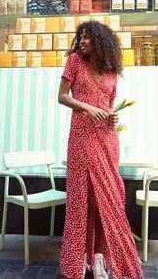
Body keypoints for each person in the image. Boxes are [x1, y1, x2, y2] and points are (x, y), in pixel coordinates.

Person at [58, 21, 143, 279]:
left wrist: (112, 118)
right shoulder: (74, 61)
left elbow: (109, 107)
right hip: (82, 137)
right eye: (80, 38)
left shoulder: (111, 72)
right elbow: (62, 96)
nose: (82, 42)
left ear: (100, 41)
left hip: (106, 139)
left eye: (87, 38)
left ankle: (98, 259)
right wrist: (86, 107)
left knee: (107, 200)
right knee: (83, 200)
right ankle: (77, 260)